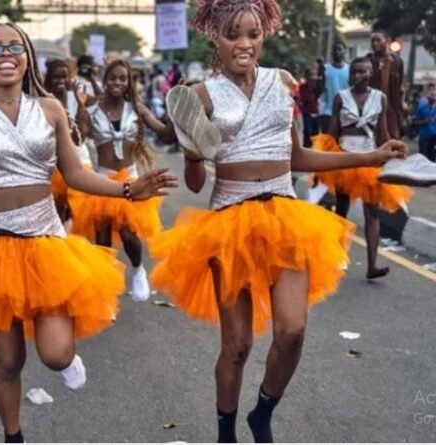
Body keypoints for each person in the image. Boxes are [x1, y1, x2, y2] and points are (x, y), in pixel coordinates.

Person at [0, 23, 176, 442]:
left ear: (27, 58)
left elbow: (75, 173)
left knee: (56, 355)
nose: (5, 54)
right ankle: (13, 436)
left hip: (45, 244)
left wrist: (130, 190)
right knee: (7, 363)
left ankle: (68, 362)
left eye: (15, 47)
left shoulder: (49, 109)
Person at [150, 1, 408, 441]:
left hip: (285, 216)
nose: (244, 44)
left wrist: (370, 156)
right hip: (230, 223)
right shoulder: (200, 96)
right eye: (233, 34)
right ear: (215, 37)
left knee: (292, 331)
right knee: (237, 346)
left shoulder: (281, 83)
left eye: (253, 34)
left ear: (263, 36)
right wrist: (192, 153)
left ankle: (263, 411)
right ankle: (226, 432)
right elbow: (195, 183)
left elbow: (298, 156)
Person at [70, 59, 174, 302]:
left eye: (122, 78)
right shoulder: (92, 110)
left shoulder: (137, 109)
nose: (117, 82)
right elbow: (78, 139)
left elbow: (165, 134)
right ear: (105, 81)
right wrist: (80, 107)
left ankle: (137, 269)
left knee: (128, 234)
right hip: (103, 179)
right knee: (103, 241)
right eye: (113, 78)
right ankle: (106, 294)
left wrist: (176, 108)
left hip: (131, 179)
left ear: (128, 83)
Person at [312, 57, 413, 280]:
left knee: (372, 213)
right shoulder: (341, 97)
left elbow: (382, 132)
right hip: (345, 160)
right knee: (341, 210)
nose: (358, 76)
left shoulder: (380, 98)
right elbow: (332, 133)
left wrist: (391, 153)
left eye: (362, 71)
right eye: (354, 72)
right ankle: (336, 259)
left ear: (370, 73)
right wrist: (324, 164)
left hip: (370, 159)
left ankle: (372, 266)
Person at [43, 58, 93, 226]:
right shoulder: (42, 101)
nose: (61, 81)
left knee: (75, 211)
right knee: (56, 213)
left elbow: (80, 137)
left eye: (65, 77)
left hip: (79, 161)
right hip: (53, 165)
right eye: (56, 77)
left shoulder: (76, 98)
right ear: (49, 79)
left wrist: (80, 104)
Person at [368, 31, 405, 140]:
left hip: (391, 107)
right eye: (372, 41)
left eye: (378, 40)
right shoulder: (368, 60)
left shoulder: (397, 61)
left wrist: (401, 107)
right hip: (371, 107)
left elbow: (402, 87)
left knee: (392, 138)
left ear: (387, 41)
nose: (374, 43)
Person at [317, 43, 349, 134]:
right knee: (328, 139)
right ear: (331, 53)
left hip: (345, 110)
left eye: (340, 49)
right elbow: (319, 90)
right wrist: (320, 75)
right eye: (335, 50)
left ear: (344, 52)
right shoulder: (325, 69)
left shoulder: (349, 69)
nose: (337, 52)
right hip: (327, 111)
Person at [298, 66, 320, 147]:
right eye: (311, 75)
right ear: (307, 77)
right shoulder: (303, 87)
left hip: (317, 112)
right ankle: (307, 148)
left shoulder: (318, 87)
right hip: (307, 113)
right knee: (307, 132)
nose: (313, 77)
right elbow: (304, 100)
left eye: (315, 75)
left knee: (316, 133)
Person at [414, 83, 436, 161]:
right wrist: (426, 121)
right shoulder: (422, 107)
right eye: (431, 95)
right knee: (423, 159)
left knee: (432, 159)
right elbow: (416, 122)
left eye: (434, 95)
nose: (433, 97)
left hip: (433, 138)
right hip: (424, 137)